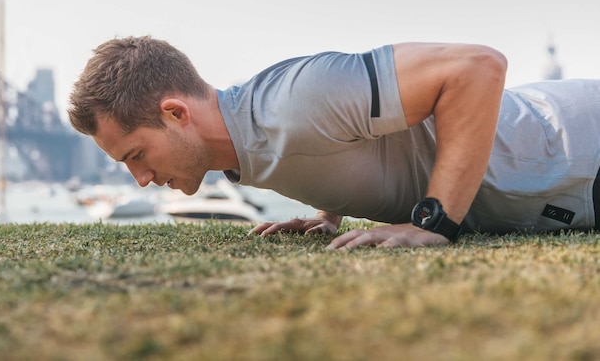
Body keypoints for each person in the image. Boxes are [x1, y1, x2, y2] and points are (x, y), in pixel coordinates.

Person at [67, 36, 600, 249]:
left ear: (176, 114)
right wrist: (331, 211)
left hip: (582, 146)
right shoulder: (239, 148)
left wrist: (432, 223)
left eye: (135, 155)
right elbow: (340, 147)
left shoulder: (294, 99)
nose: (139, 179)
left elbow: (477, 68)